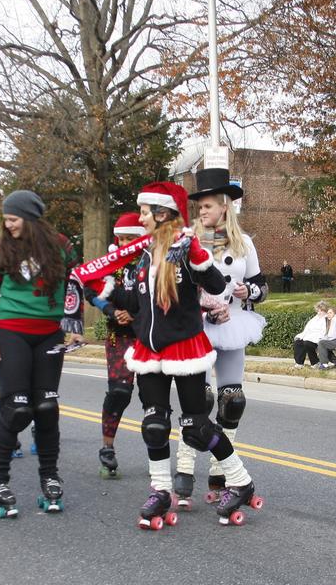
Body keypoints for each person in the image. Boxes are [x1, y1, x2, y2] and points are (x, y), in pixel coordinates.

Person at [101, 181, 260, 527]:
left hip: (185, 348)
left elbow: (218, 286)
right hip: (150, 351)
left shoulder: (185, 248)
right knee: (154, 424)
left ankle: (241, 480)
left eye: (145, 212)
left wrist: (198, 256)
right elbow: (140, 302)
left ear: (162, 214)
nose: (141, 218)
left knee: (196, 426)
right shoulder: (145, 254)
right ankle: (160, 490)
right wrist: (108, 293)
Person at [0, 190, 85, 517]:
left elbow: (76, 282)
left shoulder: (61, 246)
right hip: (11, 332)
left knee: (47, 406)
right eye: (6, 219)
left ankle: (50, 476)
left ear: (29, 217)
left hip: (49, 333)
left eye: (12, 218)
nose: (7, 224)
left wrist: (76, 323)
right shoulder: (0, 250)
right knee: (18, 408)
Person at [174, 168, 267, 506]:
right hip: (197, 326)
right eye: (199, 207)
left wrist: (249, 290)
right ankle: (184, 470)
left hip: (232, 323)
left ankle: (220, 469)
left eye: (208, 206)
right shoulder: (187, 242)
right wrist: (204, 303)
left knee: (232, 400)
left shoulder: (245, 244)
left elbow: (262, 285)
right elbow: (177, 285)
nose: (202, 212)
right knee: (198, 400)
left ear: (224, 206)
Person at [85, 212, 146, 478]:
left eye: (130, 239)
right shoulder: (109, 263)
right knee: (120, 391)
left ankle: (158, 449)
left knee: (152, 397)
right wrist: (110, 310)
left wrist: (139, 315)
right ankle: (107, 448)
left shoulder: (151, 260)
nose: (124, 244)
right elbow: (90, 289)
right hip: (118, 335)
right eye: (121, 239)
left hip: (148, 334)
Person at [292, 301, 330, 367]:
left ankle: (315, 362)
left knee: (307, 343)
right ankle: (299, 363)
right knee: (298, 342)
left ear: (325, 311)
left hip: (318, 338)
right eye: (318, 311)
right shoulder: (314, 319)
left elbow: (325, 332)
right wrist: (301, 336)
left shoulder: (327, 319)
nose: (319, 312)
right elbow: (307, 329)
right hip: (309, 336)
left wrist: (315, 338)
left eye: (321, 311)